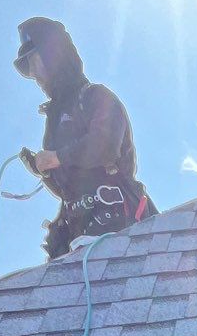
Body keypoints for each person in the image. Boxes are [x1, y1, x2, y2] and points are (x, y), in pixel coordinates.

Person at [13, 17, 156, 260]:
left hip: (118, 227)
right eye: (28, 67)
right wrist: (44, 171)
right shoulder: (54, 120)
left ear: (53, 56)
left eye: (35, 62)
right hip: (75, 235)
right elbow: (66, 188)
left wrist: (56, 158)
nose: (34, 75)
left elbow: (105, 145)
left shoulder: (96, 97)